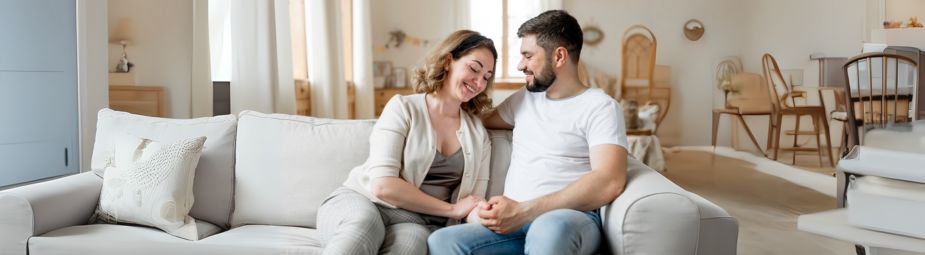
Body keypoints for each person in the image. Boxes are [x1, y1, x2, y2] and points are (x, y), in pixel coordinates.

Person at [428, 10, 629, 255]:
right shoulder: (524, 99)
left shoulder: (600, 107)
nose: (520, 65)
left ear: (559, 56)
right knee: (443, 241)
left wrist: (525, 211)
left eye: (528, 56)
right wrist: (432, 107)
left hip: (569, 219)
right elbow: (476, 121)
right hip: (513, 223)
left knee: (548, 228)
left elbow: (610, 180)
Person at [317, 30, 496, 255]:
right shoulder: (403, 107)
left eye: (486, 77)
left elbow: (472, 202)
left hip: (416, 222)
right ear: (448, 61)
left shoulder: (478, 134)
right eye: (474, 68)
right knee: (364, 225)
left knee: (411, 246)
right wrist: (452, 209)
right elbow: (382, 186)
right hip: (364, 201)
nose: (479, 82)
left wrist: (488, 214)